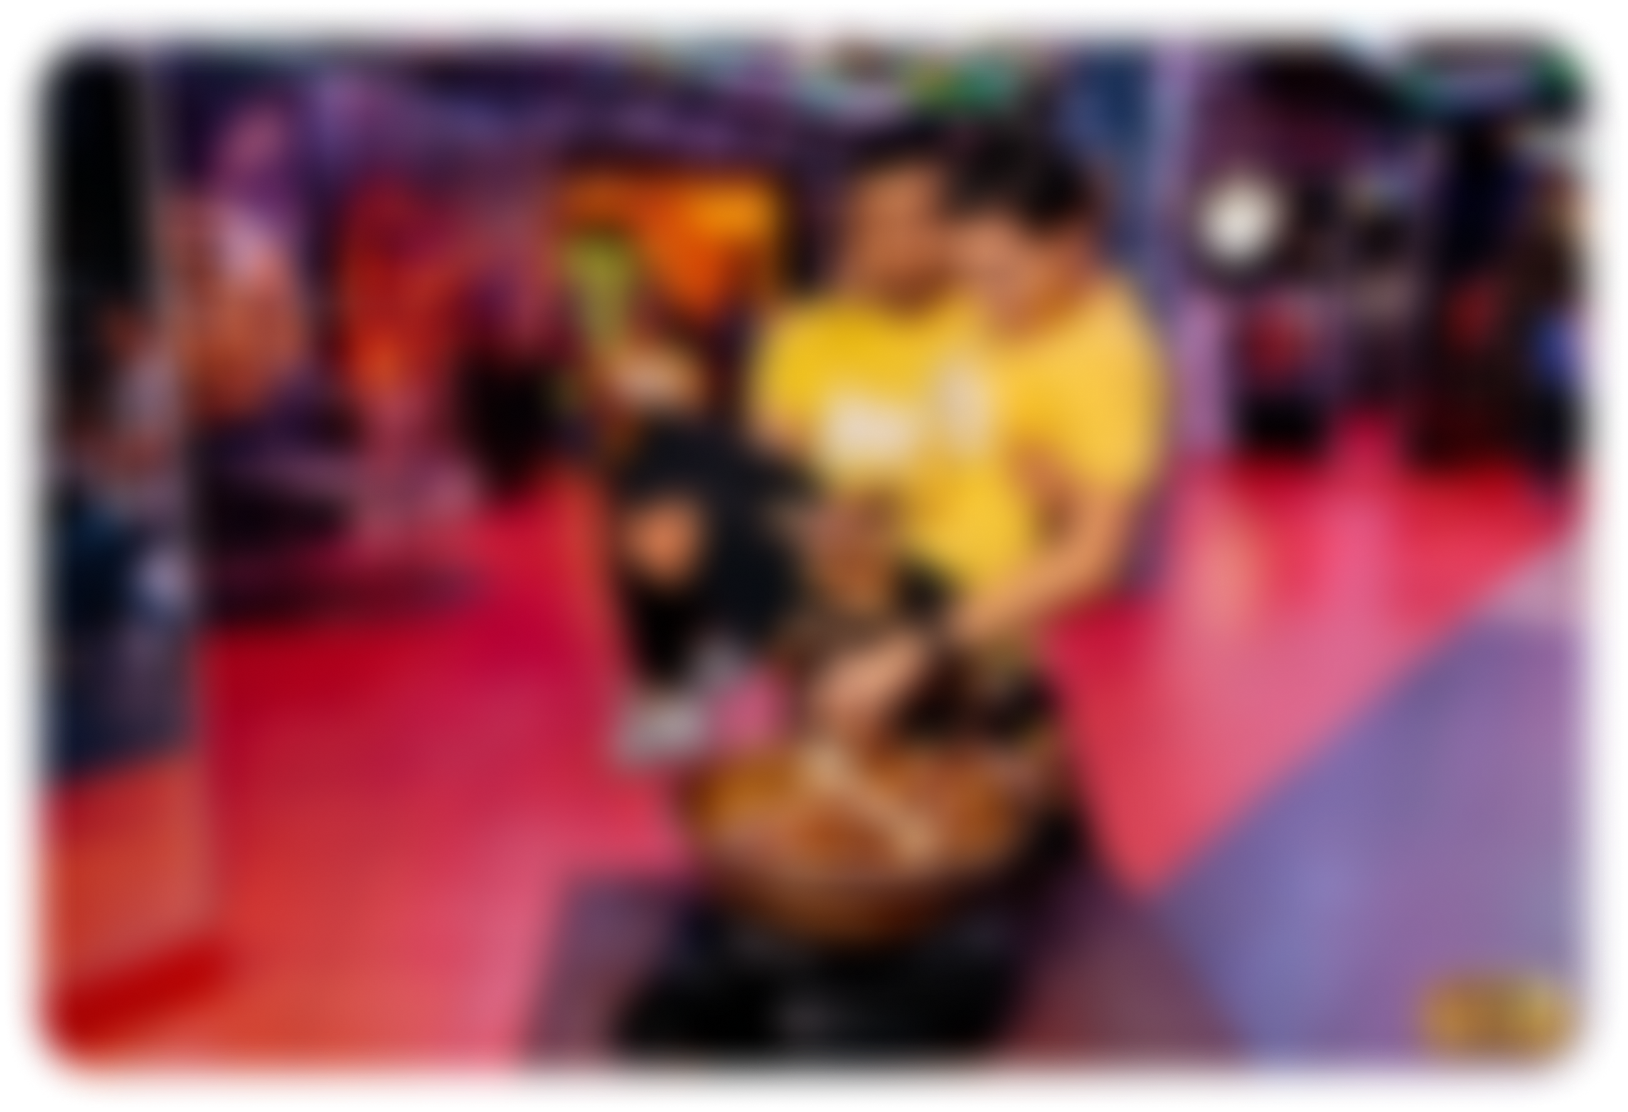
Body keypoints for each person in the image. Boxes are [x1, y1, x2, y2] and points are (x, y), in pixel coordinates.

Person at [752, 129, 1165, 747]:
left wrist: (914, 652)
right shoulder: (1002, 313)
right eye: (966, 275)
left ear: (1072, 242)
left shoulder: (1102, 357)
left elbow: (1093, 557)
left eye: (1000, 275)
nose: (983, 301)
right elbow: (943, 444)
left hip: (970, 642)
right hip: (889, 597)